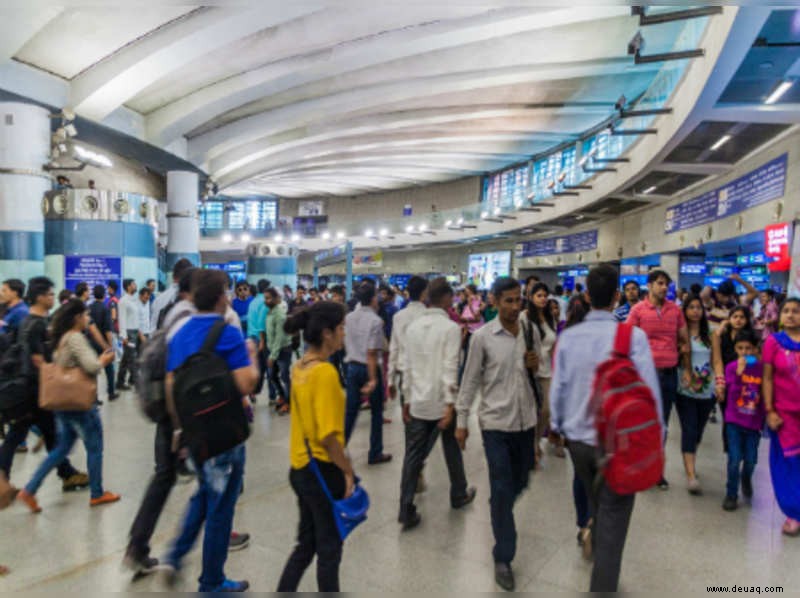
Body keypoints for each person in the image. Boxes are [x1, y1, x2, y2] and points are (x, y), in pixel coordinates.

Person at [550, 264, 662, 592]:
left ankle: (591, 532)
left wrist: (557, 427)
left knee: (596, 498)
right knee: (615, 512)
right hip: (620, 443)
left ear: (586, 295)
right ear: (617, 296)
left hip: (579, 442)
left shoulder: (568, 337)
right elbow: (649, 389)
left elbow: (558, 387)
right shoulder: (633, 337)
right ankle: (602, 586)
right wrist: (657, 433)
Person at [162, 269, 259, 592]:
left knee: (204, 495)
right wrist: (253, 358)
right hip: (226, 435)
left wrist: (182, 429)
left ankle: (174, 556)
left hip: (196, 433)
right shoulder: (227, 333)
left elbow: (172, 385)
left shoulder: (181, 333)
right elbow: (246, 383)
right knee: (219, 510)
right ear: (220, 297)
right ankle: (212, 582)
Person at [455, 277, 538, 591]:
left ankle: (499, 507)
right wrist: (461, 421)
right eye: (509, 301)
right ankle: (503, 554)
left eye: (519, 300)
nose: (515, 307)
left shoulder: (528, 331)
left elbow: (539, 375)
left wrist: (535, 363)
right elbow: (470, 381)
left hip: (525, 422)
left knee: (521, 481)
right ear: (494, 301)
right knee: (503, 487)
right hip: (495, 425)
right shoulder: (482, 338)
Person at [276, 302, 354, 592]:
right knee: (330, 547)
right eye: (342, 328)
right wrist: (347, 471)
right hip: (323, 470)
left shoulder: (300, 366)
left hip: (300, 466)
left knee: (306, 543)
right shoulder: (324, 374)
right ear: (327, 333)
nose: (344, 334)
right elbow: (328, 438)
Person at [17, 299, 119, 512]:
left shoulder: (61, 337)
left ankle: (29, 489)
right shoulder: (75, 338)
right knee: (95, 447)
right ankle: (97, 493)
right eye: (86, 315)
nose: (88, 319)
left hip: (63, 403)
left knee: (61, 449)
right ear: (77, 318)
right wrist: (104, 360)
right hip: (80, 403)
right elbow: (91, 366)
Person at [398, 278, 476, 530]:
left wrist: (407, 399)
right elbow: (450, 367)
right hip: (441, 402)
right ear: (446, 299)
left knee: (413, 455)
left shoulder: (413, 327)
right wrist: (450, 404)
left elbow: (407, 366)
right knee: (451, 447)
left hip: (418, 401)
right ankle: (458, 494)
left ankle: (405, 506)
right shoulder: (450, 328)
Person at [0, 278, 88, 491]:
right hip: (35, 389)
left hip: (30, 387)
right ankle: (59, 475)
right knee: (37, 433)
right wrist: (60, 381)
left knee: (31, 433)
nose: (52, 298)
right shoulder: (36, 324)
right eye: (49, 294)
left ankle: (66, 473)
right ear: (39, 296)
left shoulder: (28, 320)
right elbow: (39, 361)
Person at [626, 269, 689, 490]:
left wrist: (685, 361)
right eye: (661, 284)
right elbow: (626, 339)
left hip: (668, 375)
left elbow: (684, 339)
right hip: (644, 376)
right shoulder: (638, 310)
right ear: (650, 285)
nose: (664, 288)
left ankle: (656, 471)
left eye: (667, 285)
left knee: (661, 424)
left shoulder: (675, 310)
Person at [763, 298, 800, 536]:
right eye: (786, 311)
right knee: (789, 463)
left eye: (796, 311)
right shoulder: (773, 342)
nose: (790, 315)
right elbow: (767, 378)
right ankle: (793, 512)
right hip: (785, 414)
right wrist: (770, 410)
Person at [674, 296, 718, 495]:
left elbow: (716, 361)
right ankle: (691, 475)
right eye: (691, 307)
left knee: (698, 432)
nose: (695, 311)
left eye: (698, 307)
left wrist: (720, 381)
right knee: (689, 430)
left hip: (707, 391)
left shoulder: (711, 334)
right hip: (684, 390)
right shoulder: (679, 334)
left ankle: (691, 459)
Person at [344, 283, 391, 465]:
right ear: (373, 298)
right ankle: (375, 453)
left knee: (350, 412)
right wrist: (372, 379)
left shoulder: (348, 317)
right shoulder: (376, 321)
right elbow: (372, 352)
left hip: (352, 368)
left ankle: (339, 449)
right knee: (377, 412)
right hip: (370, 369)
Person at [721, 329, 765, 511]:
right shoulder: (731, 368)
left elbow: (765, 394)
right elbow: (731, 392)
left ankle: (746, 478)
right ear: (736, 349)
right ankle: (731, 493)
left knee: (751, 460)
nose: (745, 352)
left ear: (756, 349)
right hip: (734, 421)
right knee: (734, 458)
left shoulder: (762, 369)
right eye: (741, 348)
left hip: (754, 424)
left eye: (749, 348)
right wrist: (739, 374)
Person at [522, 282, 560, 462]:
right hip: (528, 371)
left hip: (546, 371)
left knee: (546, 410)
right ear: (530, 297)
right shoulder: (524, 317)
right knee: (529, 410)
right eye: (539, 295)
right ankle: (529, 446)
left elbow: (553, 345)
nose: (543, 298)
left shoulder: (550, 317)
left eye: (545, 295)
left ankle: (536, 441)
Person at [387, 276, 428, 405]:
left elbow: (394, 348)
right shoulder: (430, 316)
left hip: (405, 374)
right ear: (425, 293)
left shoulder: (399, 316)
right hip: (427, 374)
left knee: (407, 412)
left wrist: (390, 380)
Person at [265, 287, 293, 414]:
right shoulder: (270, 312)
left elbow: (279, 337)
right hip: (274, 350)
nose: (266, 301)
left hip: (283, 350)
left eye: (269, 298)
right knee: (272, 376)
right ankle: (282, 396)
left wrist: (273, 356)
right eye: (265, 298)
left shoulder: (279, 314)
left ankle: (289, 402)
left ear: (277, 299)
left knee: (284, 376)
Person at [88, 285, 117, 401]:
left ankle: (94, 397)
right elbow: (108, 330)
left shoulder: (89, 308)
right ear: (104, 295)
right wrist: (110, 346)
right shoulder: (105, 309)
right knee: (109, 369)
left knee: (93, 370)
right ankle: (111, 393)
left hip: (91, 343)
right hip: (103, 343)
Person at [150, 258, 194, 332]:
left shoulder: (159, 299)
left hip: (161, 341)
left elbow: (153, 329)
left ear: (173, 275)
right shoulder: (193, 300)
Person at [116, 278, 140, 389]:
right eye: (133, 284)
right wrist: (123, 336)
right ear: (128, 286)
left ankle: (119, 382)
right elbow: (122, 319)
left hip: (135, 332)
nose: (136, 285)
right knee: (133, 359)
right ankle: (138, 384)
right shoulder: (123, 301)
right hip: (129, 334)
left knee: (126, 359)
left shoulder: (133, 300)